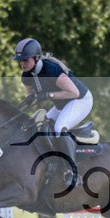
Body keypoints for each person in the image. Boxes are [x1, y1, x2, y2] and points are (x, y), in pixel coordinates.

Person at [13, 37, 94, 186]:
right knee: (36, 127)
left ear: (37, 58)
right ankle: (51, 164)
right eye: (20, 61)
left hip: (80, 100)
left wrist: (49, 95)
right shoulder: (26, 76)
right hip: (61, 105)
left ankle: (73, 173)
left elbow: (74, 93)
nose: (22, 64)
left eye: (26, 60)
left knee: (58, 128)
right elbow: (31, 97)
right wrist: (24, 104)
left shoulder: (51, 70)